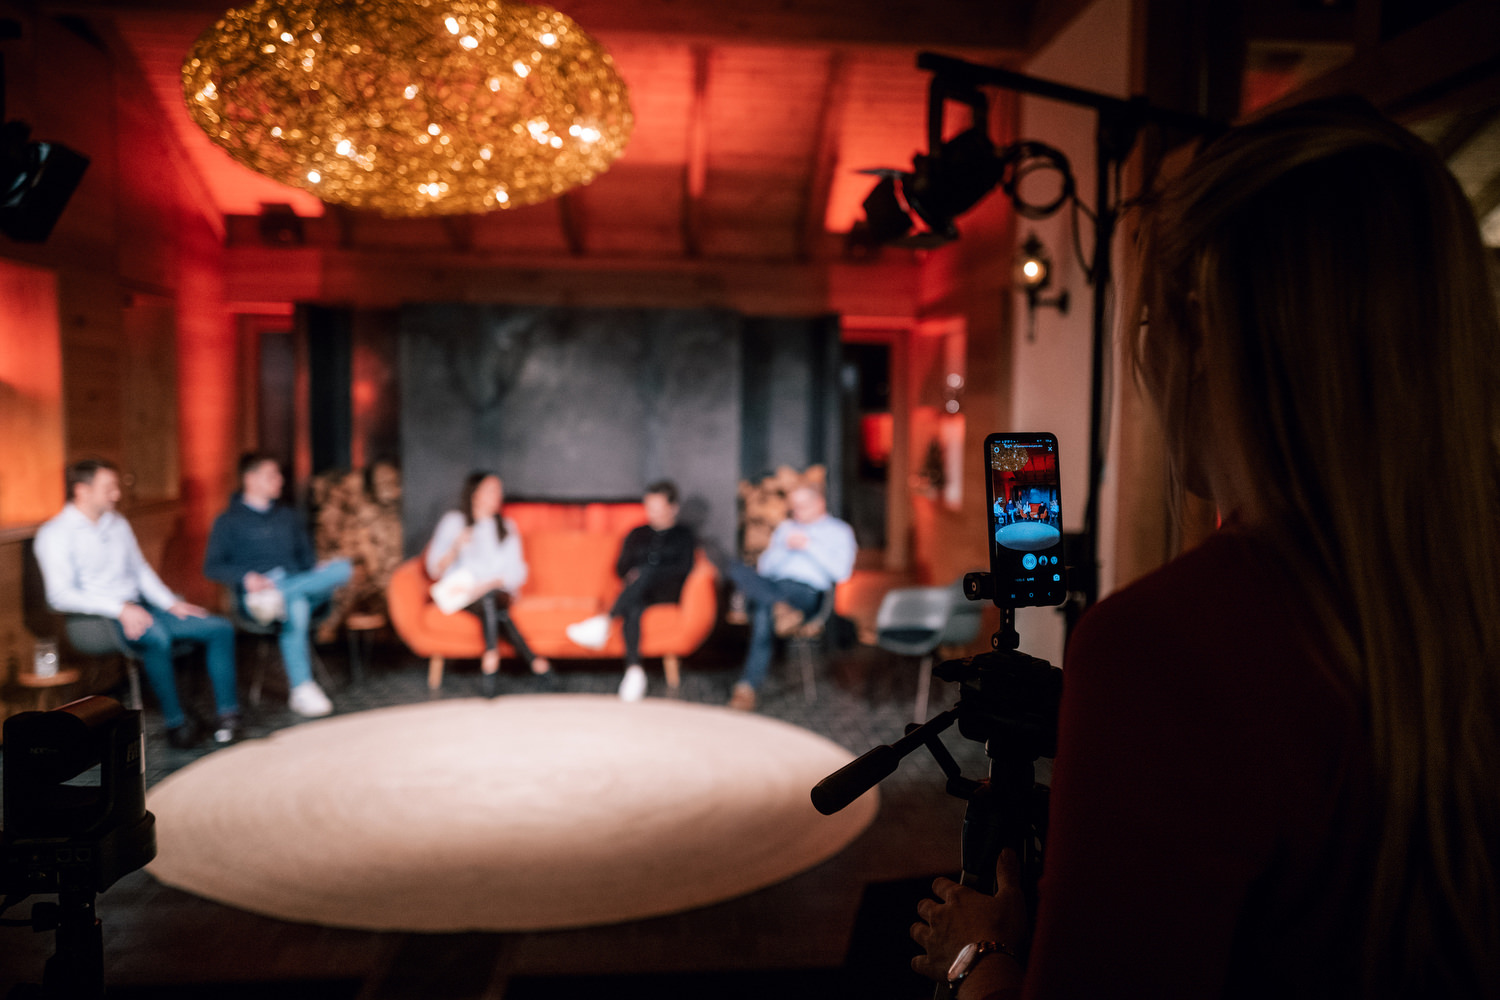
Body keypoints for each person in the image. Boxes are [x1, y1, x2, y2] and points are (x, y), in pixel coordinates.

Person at [910, 99, 1500, 998]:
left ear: (1203, 333)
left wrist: (978, 954)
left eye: (1152, 328)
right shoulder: (1461, 587)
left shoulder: (1166, 644)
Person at [34, 458, 242, 748]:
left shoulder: (117, 523)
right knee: (155, 635)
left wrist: (169, 604)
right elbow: (60, 595)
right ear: (82, 490)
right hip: (95, 622)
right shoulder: (54, 534)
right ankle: (177, 723)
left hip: (140, 607)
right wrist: (119, 609)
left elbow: (140, 571)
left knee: (219, 628)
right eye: (109, 487)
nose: (117, 494)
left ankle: (228, 717)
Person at [202, 453, 351, 718]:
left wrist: (316, 569)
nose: (280, 480)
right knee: (297, 605)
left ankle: (301, 687)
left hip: (291, 584)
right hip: (258, 597)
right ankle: (302, 688)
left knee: (342, 568)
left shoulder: (289, 516)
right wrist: (246, 577)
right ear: (250, 479)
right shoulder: (228, 521)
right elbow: (212, 567)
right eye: (272, 475)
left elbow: (306, 561)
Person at [714, 484, 855, 711]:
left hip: (807, 592)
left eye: (803, 506)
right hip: (775, 584)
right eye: (795, 507)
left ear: (820, 503)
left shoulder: (839, 531)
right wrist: (784, 549)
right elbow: (764, 567)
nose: (797, 511)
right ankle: (777, 606)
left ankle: (746, 687)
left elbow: (842, 573)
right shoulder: (786, 528)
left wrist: (809, 545)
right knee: (738, 570)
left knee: (762, 606)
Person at [565, 480, 697, 701]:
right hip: (638, 593)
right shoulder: (637, 533)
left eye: (658, 508)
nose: (653, 513)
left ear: (673, 508)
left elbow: (684, 568)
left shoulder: (684, 535)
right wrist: (633, 573)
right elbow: (620, 567)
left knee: (647, 572)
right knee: (634, 607)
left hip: (667, 592)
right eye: (649, 508)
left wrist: (650, 572)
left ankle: (605, 621)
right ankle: (634, 672)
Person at [425, 471, 551, 696]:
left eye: (499, 491)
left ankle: (491, 661)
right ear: (475, 494)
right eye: (492, 490)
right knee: (498, 612)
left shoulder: (506, 527)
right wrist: (455, 547)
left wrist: (485, 585)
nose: (498, 495)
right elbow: (434, 569)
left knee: (490, 598)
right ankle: (535, 662)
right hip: (463, 594)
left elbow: (516, 572)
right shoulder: (454, 522)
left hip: (496, 591)